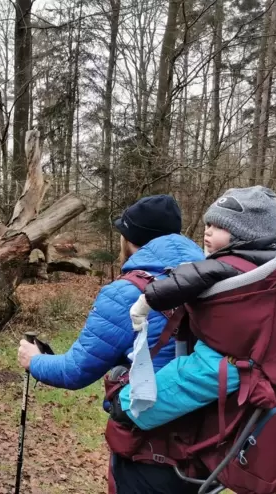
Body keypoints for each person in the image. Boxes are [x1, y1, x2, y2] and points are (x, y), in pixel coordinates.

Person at [17, 194, 206, 493]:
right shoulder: (212, 280)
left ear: (131, 240)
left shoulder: (125, 293)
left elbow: (75, 370)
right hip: (206, 448)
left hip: (147, 448)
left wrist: (34, 360)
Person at [108, 186, 276, 431]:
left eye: (219, 227)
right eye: (208, 225)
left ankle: (125, 405)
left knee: (179, 383)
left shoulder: (225, 265)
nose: (208, 232)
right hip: (249, 355)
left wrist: (148, 299)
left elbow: (185, 279)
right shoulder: (269, 267)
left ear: (245, 233)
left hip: (223, 357)